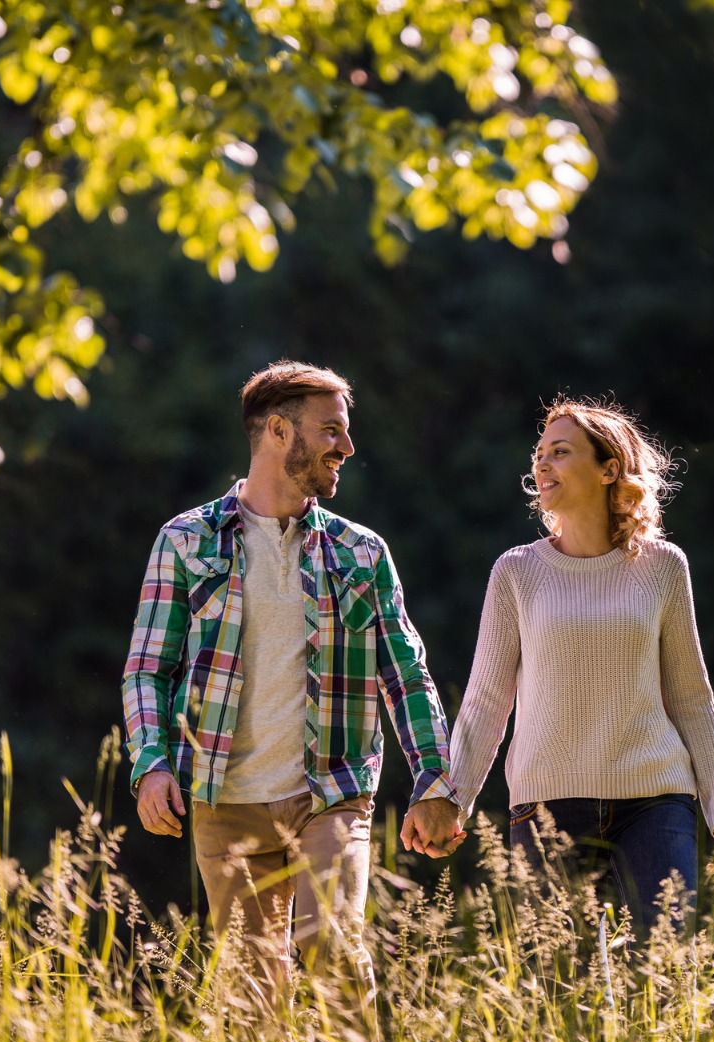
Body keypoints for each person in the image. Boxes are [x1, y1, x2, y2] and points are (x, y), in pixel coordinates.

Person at [120, 361, 464, 1006]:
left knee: (329, 944)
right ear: (278, 431)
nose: (347, 446)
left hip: (331, 790)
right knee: (252, 994)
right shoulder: (186, 542)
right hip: (224, 799)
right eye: (331, 429)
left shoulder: (361, 553)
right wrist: (151, 763)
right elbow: (148, 667)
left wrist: (435, 780)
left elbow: (406, 672)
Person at [448, 397, 714, 935]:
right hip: (546, 805)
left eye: (559, 452)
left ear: (609, 469)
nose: (541, 465)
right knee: (558, 984)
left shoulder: (662, 567)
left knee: (664, 969)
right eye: (539, 454)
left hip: (656, 798)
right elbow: (487, 699)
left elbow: (690, 695)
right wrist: (454, 799)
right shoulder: (517, 571)